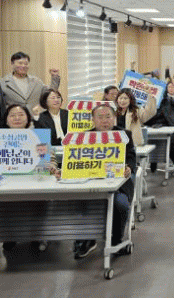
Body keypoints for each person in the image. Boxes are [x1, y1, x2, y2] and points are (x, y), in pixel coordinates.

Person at [52, 104, 136, 259]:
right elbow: (71, 159)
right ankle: (85, 239)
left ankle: (116, 239)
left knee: (121, 203)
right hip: (87, 185)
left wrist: (129, 168)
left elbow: (131, 158)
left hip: (117, 186)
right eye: (100, 117)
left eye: (108, 116)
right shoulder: (82, 137)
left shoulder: (125, 135)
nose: (104, 120)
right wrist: (62, 171)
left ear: (114, 118)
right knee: (78, 203)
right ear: (93, 120)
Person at [0, 104, 51, 252]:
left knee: (38, 201)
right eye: (12, 115)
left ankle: (38, 235)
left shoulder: (39, 137)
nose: (17, 118)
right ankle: (9, 236)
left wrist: (51, 166)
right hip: (6, 183)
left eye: (21, 114)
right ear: (6, 120)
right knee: (4, 203)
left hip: (35, 181)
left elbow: (50, 157)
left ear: (28, 118)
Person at [144, 83, 174, 172]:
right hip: (154, 125)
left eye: (172, 87)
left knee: (169, 144)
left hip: (169, 124)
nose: (171, 89)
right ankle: (153, 162)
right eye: (169, 87)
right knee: (152, 142)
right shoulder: (153, 99)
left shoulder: (171, 99)